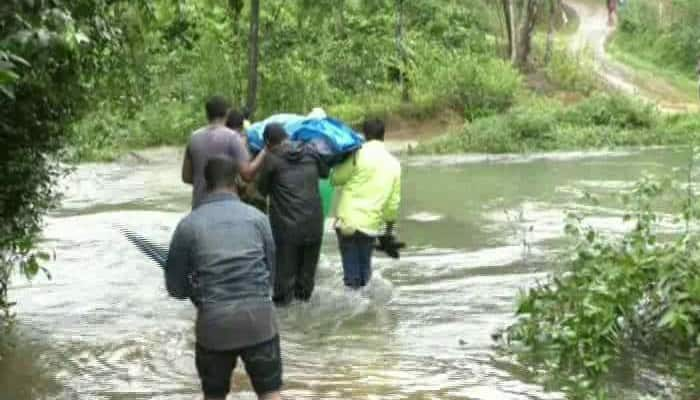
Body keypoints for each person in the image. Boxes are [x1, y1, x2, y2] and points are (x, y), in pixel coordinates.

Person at [165, 156, 282, 400]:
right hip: (259, 322)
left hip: (214, 325)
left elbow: (175, 289)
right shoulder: (259, 219)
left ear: (206, 183)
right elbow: (271, 275)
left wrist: (196, 289)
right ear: (237, 181)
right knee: (270, 393)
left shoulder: (188, 225)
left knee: (214, 395)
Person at [257, 123, 330, 305]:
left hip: (287, 228)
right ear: (287, 136)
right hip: (314, 224)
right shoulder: (311, 152)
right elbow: (325, 172)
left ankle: (287, 328)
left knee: (284, 282)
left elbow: (261, 190)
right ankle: (306, 327)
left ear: (267, 142)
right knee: (306, 282)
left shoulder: (271, 158)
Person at [330, 119, 401, 289]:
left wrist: (339, 161)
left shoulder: (356, 155)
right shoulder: (394, 164)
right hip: (371, 225)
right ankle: (368, 312)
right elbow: (392, 204)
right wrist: (388, 232)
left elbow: (335, 179)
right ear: (383, 135)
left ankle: (354, 311)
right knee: (365, 274)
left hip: (348, 223)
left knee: (351, 277)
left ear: (364, 134)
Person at [182, 96, 266, 209]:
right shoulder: (233, 137)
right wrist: (266, 150)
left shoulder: (194, 138)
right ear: (227, 113)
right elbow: (247, 175)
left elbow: (186, 177)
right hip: (227, 206)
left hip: (199, 204)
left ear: (207, 114)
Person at [226, 109, 267, 212]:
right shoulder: (253, 138)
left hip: (235, 197)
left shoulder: (223, 140)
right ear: (242, 123)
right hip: (255, 195)